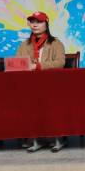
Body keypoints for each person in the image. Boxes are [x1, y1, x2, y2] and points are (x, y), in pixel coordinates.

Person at [16, 11, 66, 152]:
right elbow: (17, 62)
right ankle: (36, 138)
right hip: (29, 85)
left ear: (46, 24)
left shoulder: (56, 43)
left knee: (50, 103)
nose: (35, 25)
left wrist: (37, 66)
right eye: (32, 22)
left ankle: (57, 138)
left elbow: (60, 63)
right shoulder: (24, 45)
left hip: (51, 86)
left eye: (39, 22)